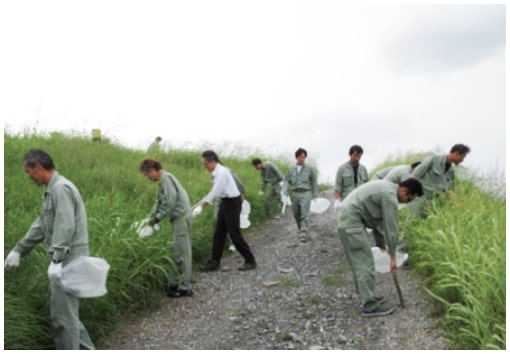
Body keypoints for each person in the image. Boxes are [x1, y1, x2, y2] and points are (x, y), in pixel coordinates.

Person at [4, 149, 95, 349]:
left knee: (63, 319)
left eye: (28, 172)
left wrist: (57, 259)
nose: (29, 177)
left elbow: (65, 225)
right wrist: (19, 249)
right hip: (69, 259)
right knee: (69, 316)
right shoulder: (53, 190)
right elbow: (41, 225)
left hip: (69, 261)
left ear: (37, 166)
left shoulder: (60, 189)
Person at [336, 178, 424, 317]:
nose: (405, 203)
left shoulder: (387, 188)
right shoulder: (390, 196)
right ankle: (369, 306)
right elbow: (391, 228)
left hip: (347, 219)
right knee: (365, 263)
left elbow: (377, 220)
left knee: (360, 262)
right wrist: (393, 257)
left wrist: (381, 244)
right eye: (408, 199)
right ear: (404, 190)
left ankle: (366, 296)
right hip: (351, 222)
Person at [192, 150, 257, 271]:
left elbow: (215, 192)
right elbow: (215, 191)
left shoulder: (222, 172)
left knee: (234, 234)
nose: (205, 167)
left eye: (205, 164)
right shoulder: (217, 172)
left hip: (233, 203)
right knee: (219, 233)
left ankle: (250, 260)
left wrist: (201, 206)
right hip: (225, 203)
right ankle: (214, 262)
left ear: (212, 162)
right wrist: (202, 202)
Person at [139, 158, 193, 297]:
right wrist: (149, 218)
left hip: (181, 218)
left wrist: (157, 218)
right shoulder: (163, 181)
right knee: (174, 251)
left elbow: (169, 202)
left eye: (147, 174)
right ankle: (174, 283)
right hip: (176, 220)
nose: (148, 178)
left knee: (182, 252)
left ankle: (185, 287)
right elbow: (159, 202)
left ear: (153, 170)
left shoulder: (166, 179)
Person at [410, 144, 470, 216]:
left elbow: (451, 190)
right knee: (412, 220)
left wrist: (456, 203)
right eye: (463, 157)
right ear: (456, 154)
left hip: (432, 203)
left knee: (424, 223)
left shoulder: (450, 171)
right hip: (419, 199)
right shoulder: (434, 159)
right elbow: (416, 174)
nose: (462, 160)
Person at [282, 147, 319, 242]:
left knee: (304, 214)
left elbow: (313, 182)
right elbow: (287, 181)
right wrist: (284, 192)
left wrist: (315, 195)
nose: (302, 159)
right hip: (295, 193)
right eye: (300, 157)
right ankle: (302, 230)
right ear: (297, 157)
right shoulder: (291, 169)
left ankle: (303, 233)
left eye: (304, 157)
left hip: (306, 193)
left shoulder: (309, 169)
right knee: (296, 213)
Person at [334, 145, 369, 212]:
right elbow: (338, 186)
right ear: (350, 154)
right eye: (355, 156)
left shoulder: (363, 169)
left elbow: (367, 185)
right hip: (347, 200)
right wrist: (337, 200)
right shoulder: (342, 169)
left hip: (361, 200)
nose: (357, 158)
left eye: (359, 156)